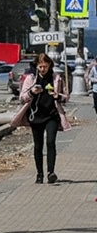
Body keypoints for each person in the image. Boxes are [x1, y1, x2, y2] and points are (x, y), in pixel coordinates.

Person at [10, 53, 70, 184]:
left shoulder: (56, 78)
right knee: (38, 146)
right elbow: (22, 97)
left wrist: (57, 96)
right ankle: (39, 174)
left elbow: (66, 97)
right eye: (40, 66)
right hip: (36, 116)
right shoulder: (31, 79)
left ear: (50, 65)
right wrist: (32, 92)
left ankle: (50, 172)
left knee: (50, 142)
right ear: (36, 66)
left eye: (45, 66)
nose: (43, 69)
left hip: (52, 115)